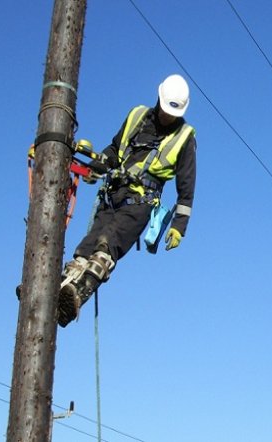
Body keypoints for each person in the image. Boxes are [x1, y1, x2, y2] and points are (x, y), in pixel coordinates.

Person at [57, 74, 197, 327]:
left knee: (105, 248)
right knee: (84, 250)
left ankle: (76, 297)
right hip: (112, 195)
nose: (168, 117)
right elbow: (114, 148)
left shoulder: (185, 137)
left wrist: (179, 226)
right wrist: (99, 165)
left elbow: (186, 188)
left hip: (140, 203)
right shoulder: (137, 116)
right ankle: (54, 294)